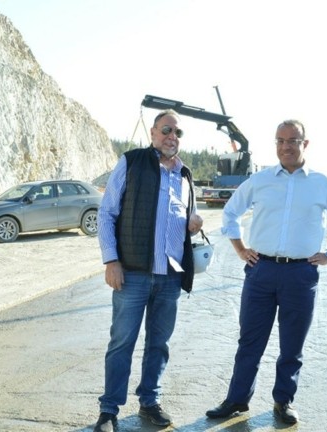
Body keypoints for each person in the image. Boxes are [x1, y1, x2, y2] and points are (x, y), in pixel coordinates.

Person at [206, 119, 327, 424]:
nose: (286, 146)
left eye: (293, 140)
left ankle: (283, 401)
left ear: (305, 144)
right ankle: (237, 399)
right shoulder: (260, 181)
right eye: (280, 141)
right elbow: (231, 212)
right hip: (261, 271)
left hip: (301, 275)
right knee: (250, 341)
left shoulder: (321, 183)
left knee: (292, 344)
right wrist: (240, 249)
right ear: (275, 144)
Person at [93, 109, 204, 432]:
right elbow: (107, 214)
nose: (172, 137)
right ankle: (109, 410)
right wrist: (111, 261)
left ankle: (149, 402)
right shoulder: (132, 162)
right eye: (166, 130)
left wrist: (193, 224)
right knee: (121, 342)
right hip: (133, 273)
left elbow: (187, 220)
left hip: (170, 275)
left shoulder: (185, 175)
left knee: (159, 343)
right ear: (153, 133)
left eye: (178, 133)